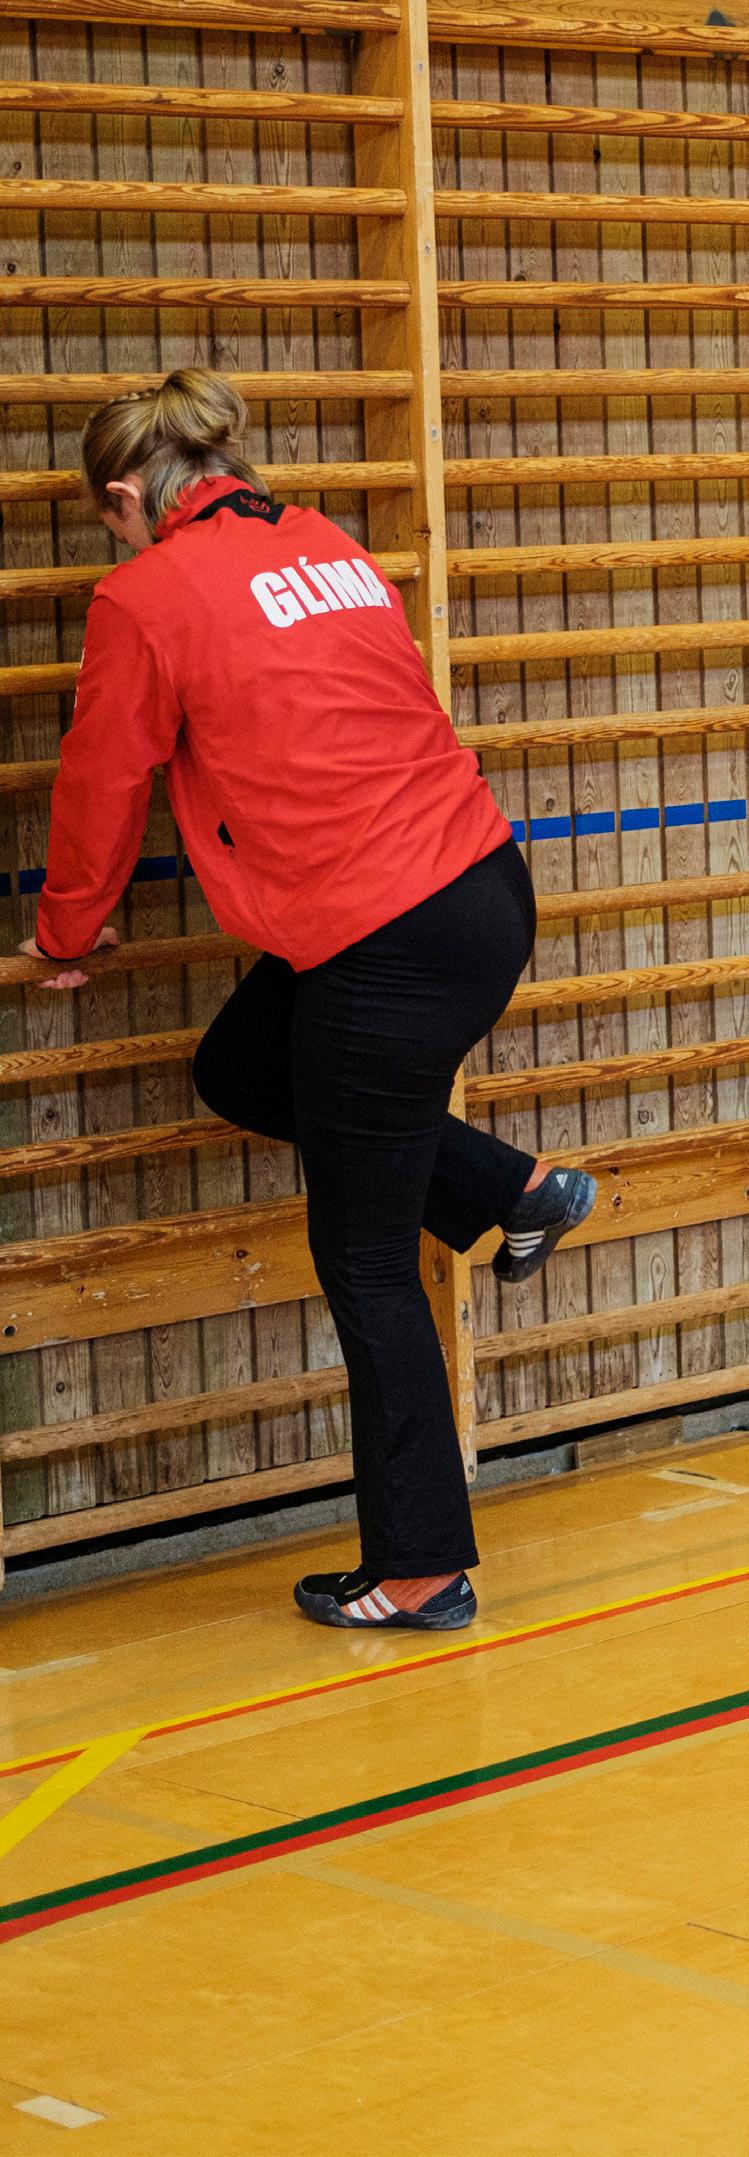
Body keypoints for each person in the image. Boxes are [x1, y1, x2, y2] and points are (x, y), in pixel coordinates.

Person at [20, 367, 596, 1633]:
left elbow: (103, 775)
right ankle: (514, 1190)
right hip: (476, 890)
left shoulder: (144, 595)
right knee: (241, 1067)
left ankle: (418, 1568)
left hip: (384, 941)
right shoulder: (323, 543)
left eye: (105, 520)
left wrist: (66, 929)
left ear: (127, 496)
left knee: (364, 1260)